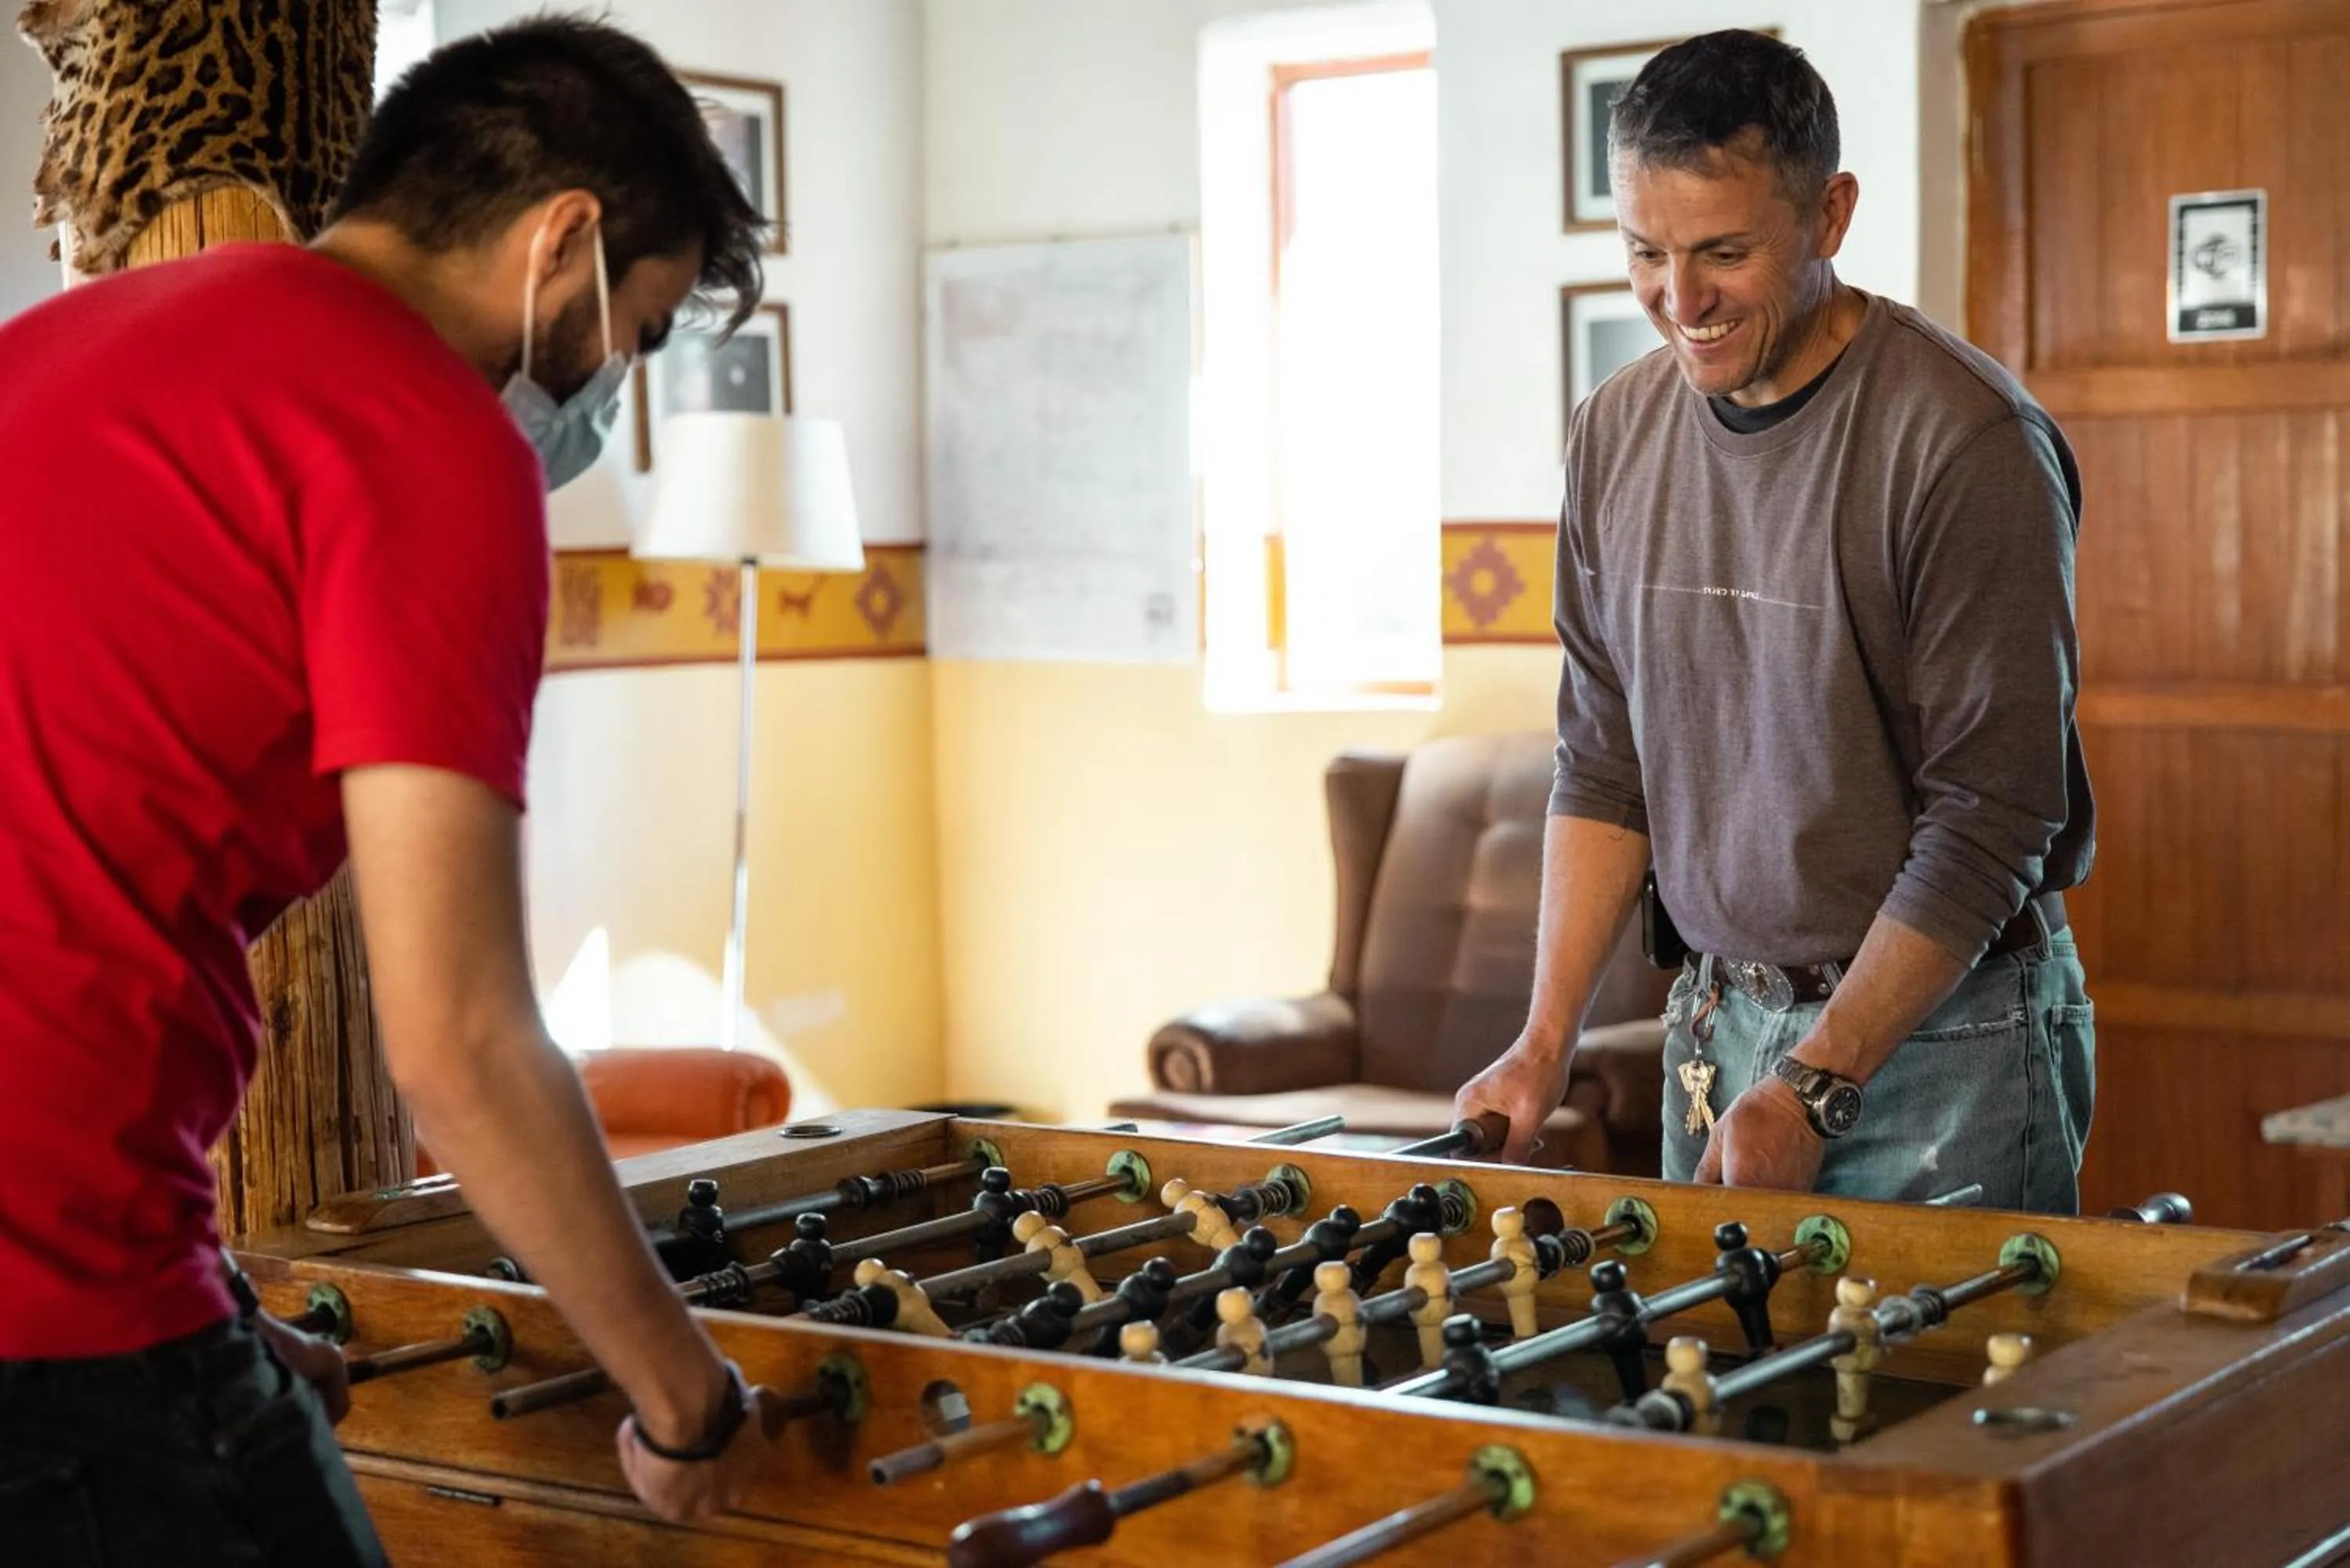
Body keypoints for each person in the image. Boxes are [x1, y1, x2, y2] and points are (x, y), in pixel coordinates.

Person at [0, 18, 781, 1563]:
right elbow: (466, 1038)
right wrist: (684, 1394)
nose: (601, 384)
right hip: (56, 1299)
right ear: (562, 240)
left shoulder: (62, 344)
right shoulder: (427, 440)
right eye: (625, 330)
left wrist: (210, 1305)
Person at [1454, 30, 2095, 1214]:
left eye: (1724, 253)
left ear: (1831, 214)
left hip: (1941, 1042)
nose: (1679, 300)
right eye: (1645, 252)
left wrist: (1818, 1082)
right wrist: (1543, 1041)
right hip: (1713, 1027)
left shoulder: (1964, 443)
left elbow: (1992, 818)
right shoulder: (1611, 434)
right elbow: (1604, 766)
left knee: (1931, 1401)